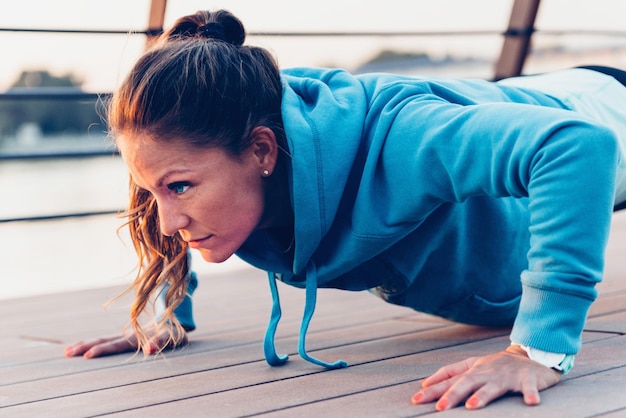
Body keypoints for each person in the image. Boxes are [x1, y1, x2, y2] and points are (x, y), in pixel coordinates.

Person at [64, 9, 626, 411]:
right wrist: (166, 316)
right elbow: (161, 193)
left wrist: (539, 349)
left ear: (262, 150)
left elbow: (577, 147)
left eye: (180, 188)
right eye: (153, 188)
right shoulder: (223, 144)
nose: (166, 217)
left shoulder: (401, 139)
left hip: (604, 111)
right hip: (518, 101)